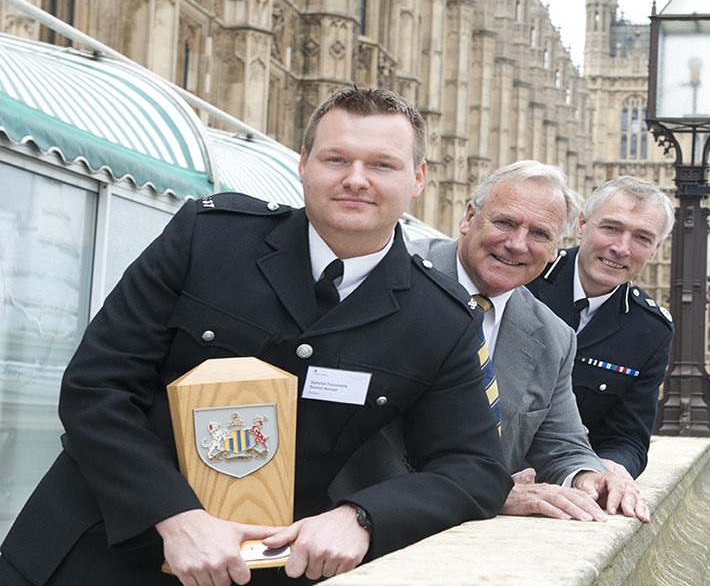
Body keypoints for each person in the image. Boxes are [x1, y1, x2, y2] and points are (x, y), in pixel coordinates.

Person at [0, 86, 513, 586]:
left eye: (382, 164)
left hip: (263, 566)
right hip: (89, 547)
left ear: (417, 178)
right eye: (336, 159)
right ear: (304, 164)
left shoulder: (440, 319)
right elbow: (97, 386)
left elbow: (474, 468)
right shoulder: (207, 238)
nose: (356, 179)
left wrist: (362, 517)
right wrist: (175, 515)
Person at [332, 162, 650, 523]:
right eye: (505, 223)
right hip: (340, 521)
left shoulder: (553, 336)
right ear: (469, 217)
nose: (517, 244)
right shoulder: (381, 273)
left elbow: (563, 444)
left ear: (554, 248)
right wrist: (482, 489)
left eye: (540, 234)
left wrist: (588, 477)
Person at [526, 176, 675, 480]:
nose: (621, 248)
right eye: (611, 228)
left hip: (563, 479)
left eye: (642, 238)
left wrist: (609, 469)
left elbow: (627, 438)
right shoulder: (525, 278)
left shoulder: (650, 330)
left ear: (656, 248)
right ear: (581, 224)